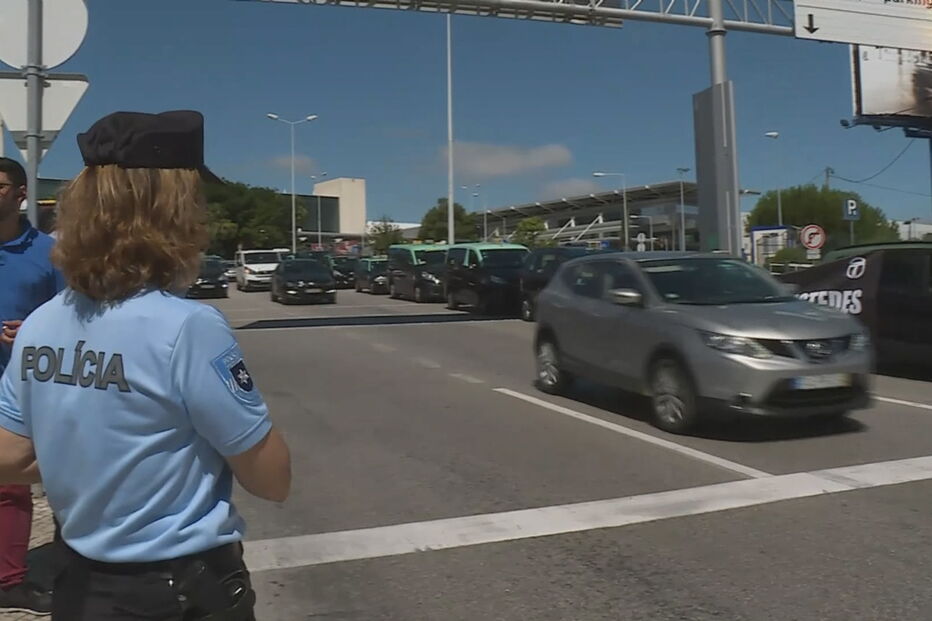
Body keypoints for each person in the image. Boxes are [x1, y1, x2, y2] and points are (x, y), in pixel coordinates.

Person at [0, 110, 291, 620]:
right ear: (173, 209)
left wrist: (97, 463)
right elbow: (272, 479)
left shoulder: (43, 322)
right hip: (178, 589)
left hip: (80, 584)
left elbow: (8, 457)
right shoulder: (187, 326)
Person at [0, 156, 61, 616]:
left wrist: (37, 331)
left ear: (20, 194)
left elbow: (77, 317)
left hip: (34, 389)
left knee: (45, 480)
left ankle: (18, 580)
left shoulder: (49, 254)